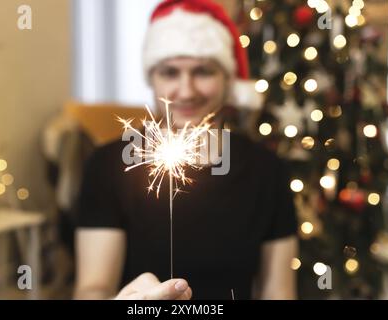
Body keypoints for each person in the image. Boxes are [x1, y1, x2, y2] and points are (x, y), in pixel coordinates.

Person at [74, 0, 298, 300]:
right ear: (151, 78)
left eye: (203, 71)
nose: (187, 90)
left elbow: (278, 292)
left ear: (227, 80)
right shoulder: (107, 167)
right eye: (169, 72)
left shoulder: (266, 171)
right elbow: (93, 288)